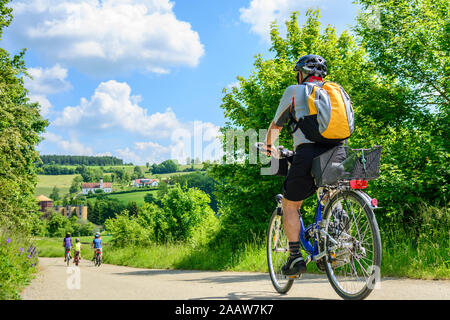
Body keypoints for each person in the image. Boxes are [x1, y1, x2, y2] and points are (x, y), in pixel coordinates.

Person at [261, 54, 347, 276]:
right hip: (339, 152)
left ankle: (295, 258)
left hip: (307, 153)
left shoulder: (294, 91)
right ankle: (336, 242)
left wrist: (268, 146)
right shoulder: (335, 91)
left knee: (291, 205)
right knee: (331, 192)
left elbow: (276, 125)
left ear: (302, 74)